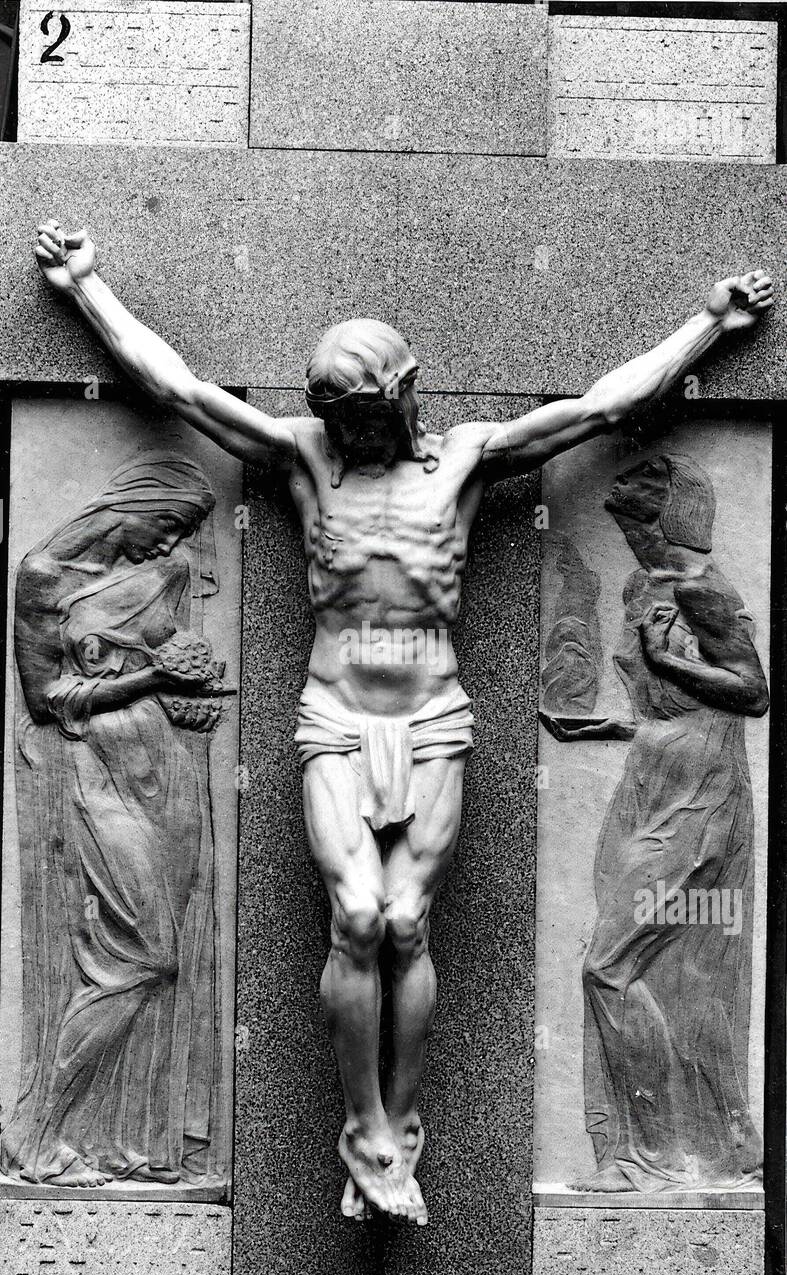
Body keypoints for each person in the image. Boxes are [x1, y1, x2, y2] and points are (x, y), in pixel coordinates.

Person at [33, 216, 773, 1223]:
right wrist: (85, 289)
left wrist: (707, 326)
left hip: (431, 720)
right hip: (336, 717)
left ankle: (402, 1136)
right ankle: (360, 1131)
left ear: (401, 391)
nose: (348, 432)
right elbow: (177, 389)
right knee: (358, 916)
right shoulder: (302, 460)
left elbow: (602, 409)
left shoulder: (462, 461)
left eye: (361, 413)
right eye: (332, 415)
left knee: (409, 920)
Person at [542, 452, 768, 1191]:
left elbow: (751, 692)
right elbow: (660, 710)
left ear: (670, 517)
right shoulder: (645, 585)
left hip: (697, 799)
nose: (631, 539)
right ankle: (679, 1146)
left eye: (636, 522)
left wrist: (667, 667)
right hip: (647, 783)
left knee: (608, 966)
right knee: (655, 973)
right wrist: (604, 727)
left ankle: (653, 1156)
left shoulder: (702, 589)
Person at [1, 454, 227, 1187]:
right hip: (95, 774)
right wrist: (155, 678)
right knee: (142, 956)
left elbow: (180, 662)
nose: (167, 547)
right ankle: (34, 1132)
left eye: (182, 535)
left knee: (169, 959)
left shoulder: (168, 574)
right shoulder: (41, 577)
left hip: (167, 767)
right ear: (133, 503)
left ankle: (120, 1137)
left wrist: (187, 691)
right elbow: (45, 698)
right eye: (165, 527)